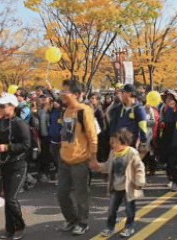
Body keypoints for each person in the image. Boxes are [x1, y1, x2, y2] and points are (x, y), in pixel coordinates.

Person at [58, 79, 98, 236]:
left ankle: (82, 222)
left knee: (81, 194)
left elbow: (92, 137)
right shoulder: (66, 111)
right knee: (62, 193)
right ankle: (71, 219)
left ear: (75, 94)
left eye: (64, 92)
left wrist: (93, 158)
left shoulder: (84, 111)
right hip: (64, 159)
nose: (61, 94)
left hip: (80, 161)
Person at [0, 93, 31, 240]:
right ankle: (10, 230)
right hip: (5, 164)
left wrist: (7, 147)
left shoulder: (20, 123)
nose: (1, 108)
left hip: (18, 165)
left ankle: (20, 225)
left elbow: (27, 145)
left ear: (13, 107)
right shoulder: (1, 121)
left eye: (3, 105)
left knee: (11, 199)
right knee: (7, 199)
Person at [97, 129, 146, 238]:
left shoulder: (132, 152)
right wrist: (99, 166)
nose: (112, 144)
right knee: (111, 209)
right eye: (111, 142)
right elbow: (108, 165)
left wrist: (140, 181)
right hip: (116, 186)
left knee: (129, 209)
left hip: (128, 187)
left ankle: (129, 227)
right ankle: (110, 227)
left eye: (114, 142)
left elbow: (139, 167)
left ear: (123, 142)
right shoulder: (113, 153)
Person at [158, 90, 177, 191]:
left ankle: (174, 181)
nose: (169, 100)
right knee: (166, 161)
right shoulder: (163, 108)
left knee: (173, 161)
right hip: (164, 137)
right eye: (167, 98)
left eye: (171, 98)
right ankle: (170, 179)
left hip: (174, 137)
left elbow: (171, 120)